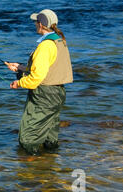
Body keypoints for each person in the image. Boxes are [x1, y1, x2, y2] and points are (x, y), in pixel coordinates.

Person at [5, 9, 73, 155]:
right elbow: (48, 68)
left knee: (28, 138)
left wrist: (19, 83)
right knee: (49, 136)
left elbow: (36, 79)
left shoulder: (45, 46)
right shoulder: (60, 40)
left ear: (41, 24)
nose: (35, 24)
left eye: (36, 21)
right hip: (58, 93)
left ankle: (32, 170)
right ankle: (49, 166)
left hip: (44, 95)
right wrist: (20, 68)